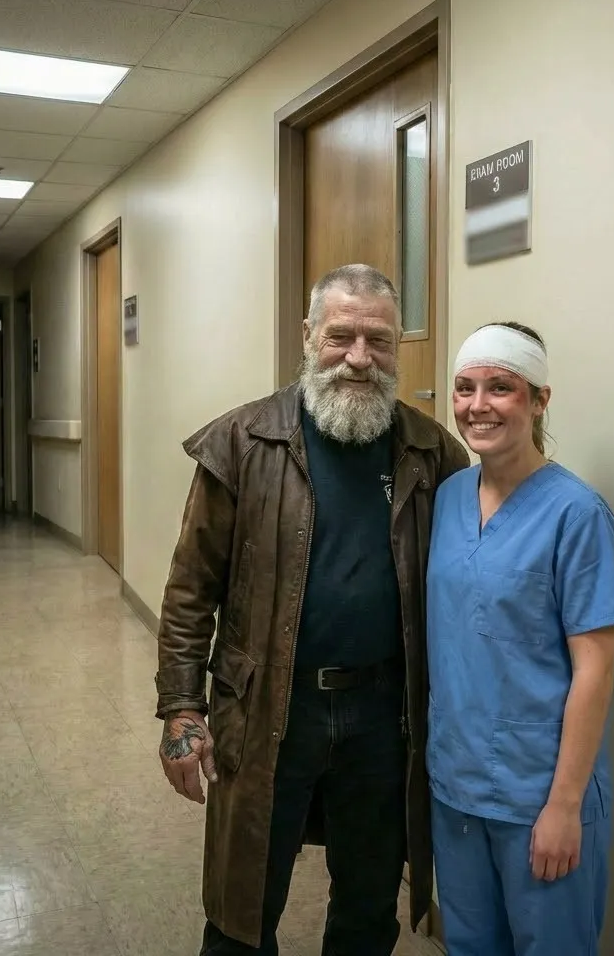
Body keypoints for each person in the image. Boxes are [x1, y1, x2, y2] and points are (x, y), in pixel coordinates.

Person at [154, 263, 469, 955]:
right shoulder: (242, 443)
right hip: (269, 706)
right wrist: (181, 708)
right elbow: (190, 590)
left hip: (384, 718)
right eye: (341, 336)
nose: (359, 358)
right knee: (242, 906)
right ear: (307, 336)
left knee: (368, 905)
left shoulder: (431, 452)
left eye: (378, 340)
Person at [426, 321, 614, 955]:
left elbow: (596, 670)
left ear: (540, 400)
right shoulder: (448, 497)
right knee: (469, 945)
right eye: (465, 387)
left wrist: (564, 806)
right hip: (456, 784)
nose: (478, 405)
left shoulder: (577, 514)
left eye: (501, 387)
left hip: (540, 790)